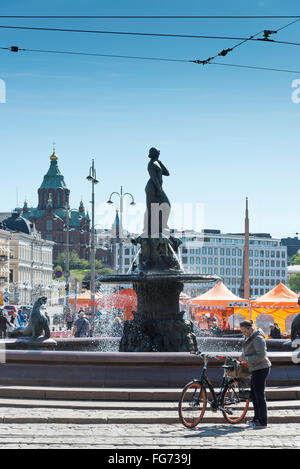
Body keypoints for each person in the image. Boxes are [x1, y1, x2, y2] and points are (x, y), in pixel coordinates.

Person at [239, 319, 271, 429]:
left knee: (259, 395)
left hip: (261, 369)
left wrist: (246, 359)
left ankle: (263, 421)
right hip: (255, 368)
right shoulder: (249, 337)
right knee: (254, 395)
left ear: (250, 328)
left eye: (244, 331)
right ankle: (256, 418)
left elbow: (262, 356)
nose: (243, 333)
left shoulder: (257, 338)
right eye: (242, 331)